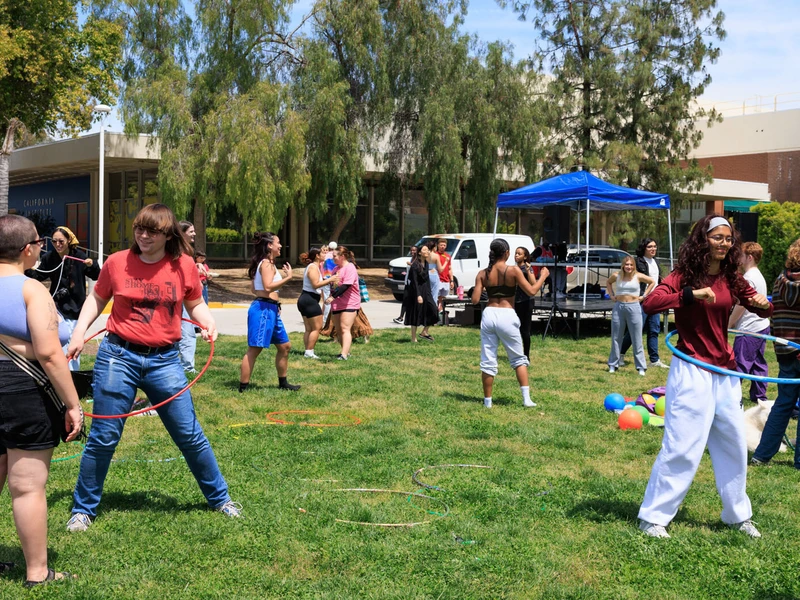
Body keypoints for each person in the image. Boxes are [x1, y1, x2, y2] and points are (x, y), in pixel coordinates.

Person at [64, 203, 241, 532]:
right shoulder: (117, 262)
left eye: (152, 231)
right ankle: (83, 509)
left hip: (165, 360)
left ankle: (221, 500)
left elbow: (195, 304)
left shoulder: (183, 265)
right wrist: (78, 333)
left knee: (189, 434)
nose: (143, 236)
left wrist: (208, 322)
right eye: (139, 229)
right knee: (104, 437)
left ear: (168, 235)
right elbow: (97, 299)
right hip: (118, 356)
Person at [637, 215, 772, 539]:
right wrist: (691, 295)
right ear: (703, 239)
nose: (724, 243)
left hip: (724, 371)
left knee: (733, 446)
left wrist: (761, 304)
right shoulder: (684, 275)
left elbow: (763, 308)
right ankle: (653, 518)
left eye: (728, 238)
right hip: (692, 368)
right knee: (682, 445)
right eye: (717, 237)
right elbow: (651, 303)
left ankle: (738, 516)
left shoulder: (731, 277)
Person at [0, 215, 84, 586]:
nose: (42, 247)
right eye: (39, 242)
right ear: (26, 249)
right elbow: (50, 354)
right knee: (27, 486)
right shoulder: (31, 290)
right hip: (22, 390)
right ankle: (37, 572)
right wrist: (73, 404)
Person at [471, 238, 549, 408]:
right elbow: (532, 291)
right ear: (506, 253)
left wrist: (483, 286)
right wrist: (543, 276)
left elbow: (475, 300)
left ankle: (487, 402)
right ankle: (526, 399)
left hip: (489, 314)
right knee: (518, 358)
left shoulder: (483, 273)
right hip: (507, 314)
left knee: (488, 359)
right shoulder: (513, 270)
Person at [752, 238, 800, 469]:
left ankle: (761, 455)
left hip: (785, 351)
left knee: (783, 404)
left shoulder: (780, 280)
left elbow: (775, 315)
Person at [27, 226, 100, 370]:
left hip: (75, 307)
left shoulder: (79, 256)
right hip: (56, 307)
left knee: (72, 343)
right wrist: (22, 266)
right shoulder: (49, 257)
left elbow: (96, 275)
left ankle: (72, 373)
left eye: (61, 241)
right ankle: (57, 371)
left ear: (69, 241)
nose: (57, 244)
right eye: (54, 241)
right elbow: (38, 276)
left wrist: (92, 265)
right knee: (56, 342)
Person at [239, 232, 300, 391]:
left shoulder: (264, 263)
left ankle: (283, 383)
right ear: (269, 245)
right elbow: (267, 287)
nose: (280, 246)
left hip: (270, 308)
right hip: (263, 310)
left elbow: (254, 289)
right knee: (255, 349)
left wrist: (274, 303)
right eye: (278, 242)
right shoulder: (266, 264)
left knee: (284, 346)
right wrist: (288, 278)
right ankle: (243, 387)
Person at [728, 242, 770, 403]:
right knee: (758, 363)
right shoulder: (758, 275)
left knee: (740, 363)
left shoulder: (749, 278)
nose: (738, 258)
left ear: (749, 257)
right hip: (761, 326)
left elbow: (742, 305)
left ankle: (731, 396)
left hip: (749, 329)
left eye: (741, 255)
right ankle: (760, 397)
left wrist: (729, 323)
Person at [620, 238, 669, 369]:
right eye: (650, 247)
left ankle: (654, 360)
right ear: (644, 248)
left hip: (655, 300)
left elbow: (657, 280)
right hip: (641, 300)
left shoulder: (656, 262)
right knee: (635, 330)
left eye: (655, 246)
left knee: (654, 330)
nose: (653, 249)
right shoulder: (637, 262)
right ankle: (619, 354)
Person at [606, 255, 656, 375]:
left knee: (636, 338)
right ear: (623, 265)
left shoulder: (638, 276)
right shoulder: (617, 275)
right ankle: (613, 364)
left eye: (631, 265)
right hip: (619, 307)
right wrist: (611, 295)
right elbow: (608, 282)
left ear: (634, 266)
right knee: (616, 337)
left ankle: (641, 367)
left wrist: (644, 296)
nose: (629, 267)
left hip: (634, 307)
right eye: (627, 264)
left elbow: (652, 282)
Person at [298, 247, 338, 359]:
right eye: (323, 253)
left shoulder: (315, 267)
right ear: (317, 255)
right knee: (317, 328)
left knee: (309, 329)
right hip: (309, 300)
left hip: (307, 299)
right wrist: (330, 279)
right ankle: (309, 352)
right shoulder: (313, 267)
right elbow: (315, 284)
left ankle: (307, 351)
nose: (325, 254)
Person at [324, 245, 362, 360]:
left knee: (345, 328)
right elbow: (333, 286)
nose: (333, 258)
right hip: (337, 304)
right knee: (339, 330)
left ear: (343, 256)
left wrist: (332, 297)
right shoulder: (335, 269)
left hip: (349, 303)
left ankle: (343, 355)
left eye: (335, 256)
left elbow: (346, 285)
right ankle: (346, 351)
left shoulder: (350, 268)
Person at [403, 244, 439, 343]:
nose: (427, 251)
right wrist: (418, 295)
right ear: (419, 253)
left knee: (434, 309)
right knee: (415, 312)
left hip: (426, 290)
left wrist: (429, 292)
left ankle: (424, 332)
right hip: (416, 290)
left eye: (428, 250)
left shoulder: (426, 263)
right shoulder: (415, 265)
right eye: (425, 250)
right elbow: (414, 281)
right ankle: (413, 338)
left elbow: (427, 279)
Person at [178, 221, 197, 372]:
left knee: (186, 332)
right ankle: (187, 367)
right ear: (182, 233)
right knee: (187, 333)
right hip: (181, 298)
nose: (194, 234)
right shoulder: (179, 252)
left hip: (184, 296)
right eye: (191, 231)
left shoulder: (185, 251)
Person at [514, 247, 537, 359]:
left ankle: (526, 355)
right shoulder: (514, 268)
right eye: (516, 253)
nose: (516, 255)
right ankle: (517, 352)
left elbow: (534, 284)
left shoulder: (527, 268)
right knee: (515, 328)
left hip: (526, 301)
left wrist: (528, 270)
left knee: (525, 330)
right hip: (515, 301)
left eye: (519, 254)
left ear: (525, 256)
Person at [393, 245, 418, 325]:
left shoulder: (418, 260)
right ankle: (401, 317)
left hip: (414, 284)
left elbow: (418, 269)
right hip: (408, 283)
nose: (412, 252)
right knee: (405, 300)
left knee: (414, 301)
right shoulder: (411, 259)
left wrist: (411, 265)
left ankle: (415, 318)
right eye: (411, 250)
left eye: (414, 250)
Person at [321, 242, 337, 324]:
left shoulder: (324, 257)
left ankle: (325, 320)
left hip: (326, 280)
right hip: (335, 279)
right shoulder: (336, 256)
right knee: (335, 298)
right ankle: (333, 318)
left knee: (327, 299)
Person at [436, 238, 453, 313]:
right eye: (441, 245)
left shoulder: (448, 256)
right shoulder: (435, 255)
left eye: (444, 245)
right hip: (438, 279)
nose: (442, 246)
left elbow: (450, 269)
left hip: (446, 280)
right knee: (437, 297)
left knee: (443, 297)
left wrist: (451, 280)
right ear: (438, 245)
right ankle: (438, 311)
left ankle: (441, 311)